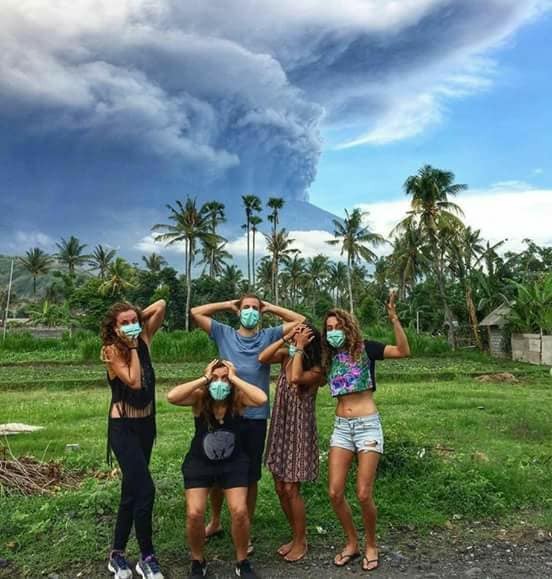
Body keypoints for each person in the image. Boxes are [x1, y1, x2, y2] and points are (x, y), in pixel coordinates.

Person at [191, 295, 305, 552]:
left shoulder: (269, 335)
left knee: (249, 474)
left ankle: (246, 528)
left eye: (255, 308)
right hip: (225, 413)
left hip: (255, 416)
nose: (251, 312)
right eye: (246, 308)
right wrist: (225, 304)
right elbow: (196, 312)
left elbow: (301, 321)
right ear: (239, 311)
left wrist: (271, 307)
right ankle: (217, 520)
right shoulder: (224, 333)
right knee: (217, 467)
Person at [323, 293, 410, 573]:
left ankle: (371, 544)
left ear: (348, 327)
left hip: (367, 425)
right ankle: (352, 543)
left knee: (363, 493)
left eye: (338, 327)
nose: (333, 332)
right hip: (341, 428)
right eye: (329, 328)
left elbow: (402, 351)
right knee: (335, 492)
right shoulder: (328, 356)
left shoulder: (366, 349)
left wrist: (394, 320)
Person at [167, 359, 267, 579]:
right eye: (216, 378)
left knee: (239, 511)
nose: (219, 383)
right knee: (194, 513)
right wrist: (204, 379)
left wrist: (234, 378)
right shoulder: (200, 398)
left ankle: (242, 561)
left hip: (234, 462)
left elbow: (262, 399)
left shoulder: (238, 399)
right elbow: (172, 396)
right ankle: (197, 560)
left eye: (224, 378)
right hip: (200, 462)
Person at [101, 299, 166, 579]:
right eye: (123, 323)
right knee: (145, 490)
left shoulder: (144, 336)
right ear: (113, 329)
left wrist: (136, 319)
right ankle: (147, 557)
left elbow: (161, 305)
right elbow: (134, 381)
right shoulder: (111, 350)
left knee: (131, 492)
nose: (130, 327)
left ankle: (116, 555)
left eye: (133, 322)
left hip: (146, 427)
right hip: (123, 428)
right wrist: (132, 346)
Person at [259, 323, 323, 562]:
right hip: (281, 425)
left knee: (291, 488)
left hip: (299, 429)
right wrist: (285, 339)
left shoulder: (317, 368)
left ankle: (301, 539)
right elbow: (263, 357)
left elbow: (296, 377)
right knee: (279, 487)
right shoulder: (287, 354)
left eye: (301, 336)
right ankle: (295, 535)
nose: (296, 339)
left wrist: (296, 348)